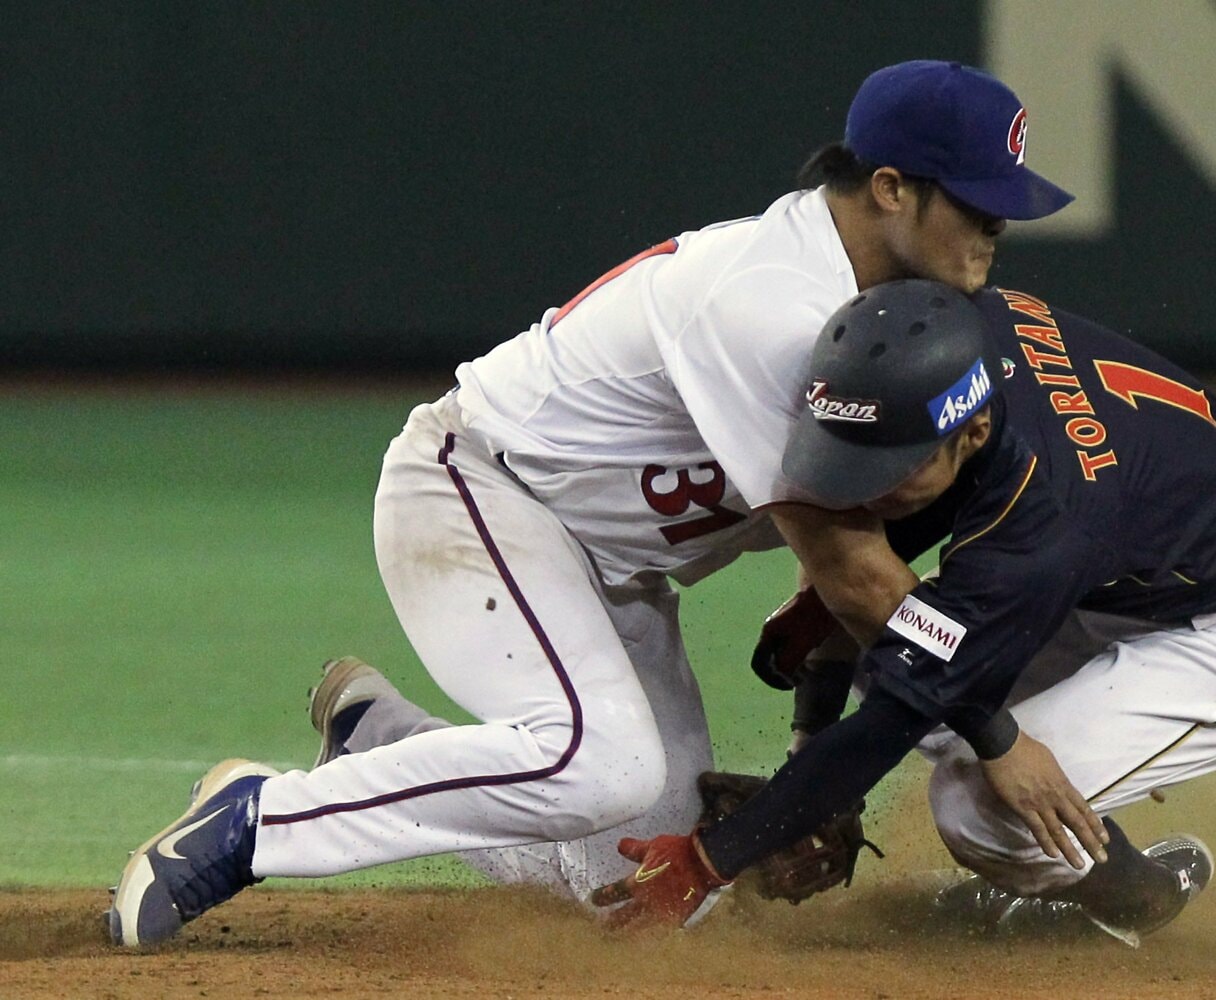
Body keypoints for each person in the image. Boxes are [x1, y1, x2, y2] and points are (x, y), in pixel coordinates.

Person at [106, 61, 1093, 947]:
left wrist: (815, 764)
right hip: (481, 496)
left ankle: (385, 743)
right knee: (600, 761)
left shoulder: (875, 310)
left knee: (648, 893)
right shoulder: (773, 309)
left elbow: (852, 561)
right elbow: (859, 579)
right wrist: (989, 727)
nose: (999, 226)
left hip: (608, 576)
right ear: (891, 188)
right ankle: (255, 821)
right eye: (977, 201)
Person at [586, 279, 1216, 945]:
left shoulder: (1041, 526)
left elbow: (897, 711)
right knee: (910, 656)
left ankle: (1140, 897)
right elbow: (875, 585)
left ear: (974, 431)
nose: (864, 486)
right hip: (1150, 550)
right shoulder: (949, 338)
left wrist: (708, 860)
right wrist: (813, 760)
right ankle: (1064, 846)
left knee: (977, 804)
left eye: (887, 468)